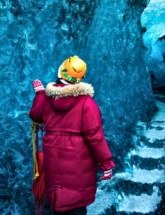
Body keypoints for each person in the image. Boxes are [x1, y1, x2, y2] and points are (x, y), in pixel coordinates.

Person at [29, 56, 115, 215]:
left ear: (61, 71)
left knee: (57, 201)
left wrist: (40, 94)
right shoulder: (87, 103)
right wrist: (106, 165)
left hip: (54, 165)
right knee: (76, 205)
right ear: (80, 79)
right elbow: (95, 137)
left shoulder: (48, 99)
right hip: (78, 168)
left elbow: (35, 115)